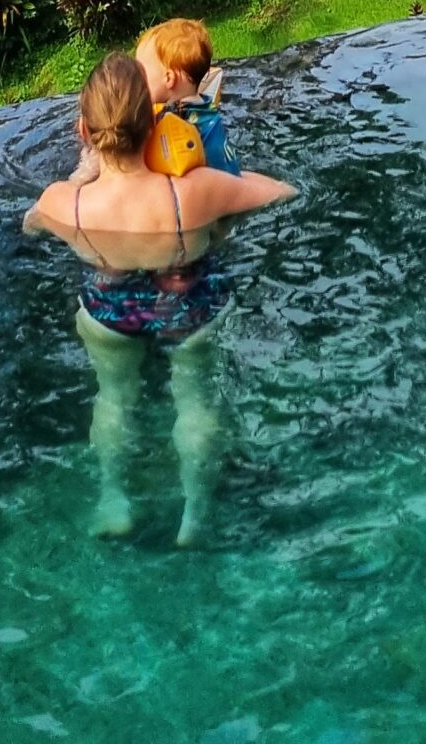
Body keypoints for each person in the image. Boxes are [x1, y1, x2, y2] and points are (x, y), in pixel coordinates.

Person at [25, 51, 294, 544]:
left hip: (110, 309)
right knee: (195, 400)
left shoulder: (66, 201)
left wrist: (79, 180)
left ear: (84, 130)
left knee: (114, 399)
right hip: (189, 305)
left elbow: (33, 223)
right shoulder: (192, 193)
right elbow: (278, 191)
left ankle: (114, 501)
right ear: (155, 120)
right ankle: (193, 517)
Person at [136, 16, 241, 172]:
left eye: (141, 74)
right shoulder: (204, 107)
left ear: (169, 78)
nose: (137, 81)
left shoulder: (179, 121)